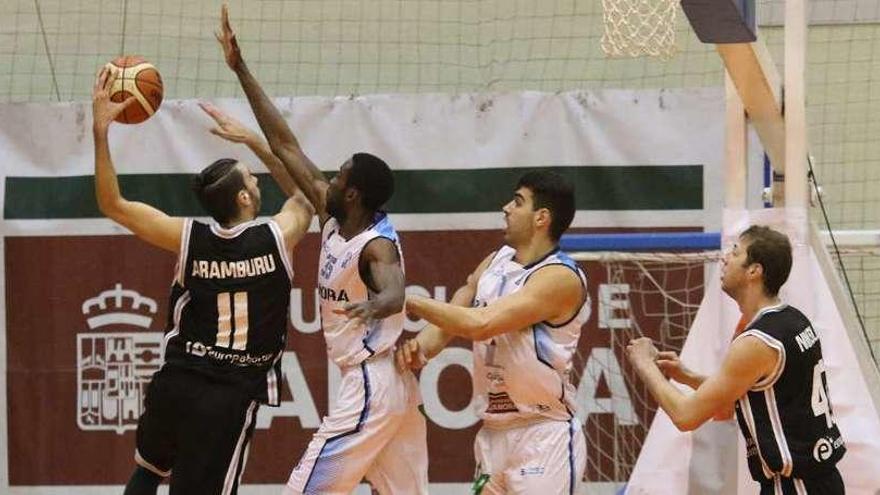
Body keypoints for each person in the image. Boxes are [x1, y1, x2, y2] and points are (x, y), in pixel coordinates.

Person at [214, 6, 428, 495]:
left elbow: (396, 292)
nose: (328, 178)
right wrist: (240, 69)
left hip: (372, 384)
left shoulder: (375, 245)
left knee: (304, 490)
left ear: (352, 193)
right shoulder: (336, 215)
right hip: (386, 383)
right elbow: (285, 144)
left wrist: (375, 304)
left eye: (338, 176)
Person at [92, 65, 315, 495]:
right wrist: (254, 141)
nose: (256, 180)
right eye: (252, 178)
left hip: (177, 380)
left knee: (148, 470)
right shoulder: (277, 236)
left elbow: (113, 204)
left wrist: (101, 132)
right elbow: (303, 195)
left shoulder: (188, 238)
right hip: (228, 395)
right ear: (245, 197)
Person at [397, 170, 589, 494]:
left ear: (541, 217)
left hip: (542, 434)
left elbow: (481, 323)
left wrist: (405, 300)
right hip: (493, 433)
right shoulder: (494, 262)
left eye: (517, 202)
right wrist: (420, 348)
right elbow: (457, 314)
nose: (506, 208)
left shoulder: (559, 277)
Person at [626, 225, 846, 494]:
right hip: (820, 480)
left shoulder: (758, 342)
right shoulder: (794, 319)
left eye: (735, 251)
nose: (724, 258)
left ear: (754, 270)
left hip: (795, 485)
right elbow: (739, 399)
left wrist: (644, 364)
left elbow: (685, 416)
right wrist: (689, 377)